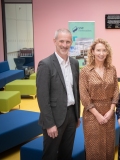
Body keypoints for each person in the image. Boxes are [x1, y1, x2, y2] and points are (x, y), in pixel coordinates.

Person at [36, 28, 81, 160]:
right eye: (61, 41)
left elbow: (75, 91)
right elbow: (42, 97)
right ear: (54, 41)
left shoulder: (74, 63)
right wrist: (50, 124)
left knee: (66, 154)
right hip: (54, 118)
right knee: (50, 155)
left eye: (68, 42)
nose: (64, 45)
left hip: (71, 116)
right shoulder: (46, 64)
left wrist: (77, 115)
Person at [79, 38, 119, 160]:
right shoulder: (85, 71)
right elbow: (83, 94)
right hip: (92, 114)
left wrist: (111, 110)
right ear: (92, 52)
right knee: (94, 147)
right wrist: (97, 114)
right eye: (98, 50)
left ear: (108, 52)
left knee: (108, 145)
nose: (101, 53)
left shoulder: (112, 69)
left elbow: (116, 90)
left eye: (104, 50)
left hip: (109, 113)